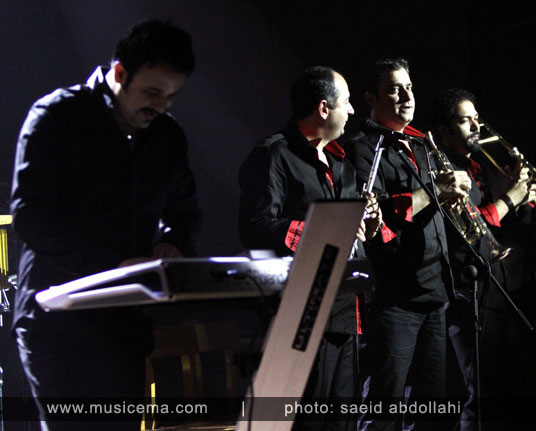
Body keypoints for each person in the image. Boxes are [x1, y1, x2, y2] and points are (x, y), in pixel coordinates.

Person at [10, 20, 201, 430]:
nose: (161, 105)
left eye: (171, 96)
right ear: (119, 72)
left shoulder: (167, 137)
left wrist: (175, 243)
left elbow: (185, 212)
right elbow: (30, 216)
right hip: (56, 320)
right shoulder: (57, 115)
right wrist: (112, 264)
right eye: (152, 92)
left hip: (122, 325)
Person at [238, 66, 382, 431]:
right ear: (323, 108)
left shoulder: (341, 163)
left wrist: (366, 223)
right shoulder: (274, 154)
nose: (352, 111)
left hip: (345, 310)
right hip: (301, 314)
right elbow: (256, 226)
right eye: (347, 102)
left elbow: (353, 236)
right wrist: (321, 232)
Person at [342, 58, 472, 430]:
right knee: (384, 409)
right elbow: (374, 214)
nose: (406, 96)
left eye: (409, 87)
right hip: (393, 298)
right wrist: (435, 190)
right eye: (394, 89)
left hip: (433, 293)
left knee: (433, 410)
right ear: (371, 98)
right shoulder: (362, 148)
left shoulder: (420, 144)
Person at [431, 88, 536, 430]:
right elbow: (471, 228)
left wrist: (522, 195)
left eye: (477, 119)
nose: (477, 127)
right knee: (482, 394)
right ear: (445, 130)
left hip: (496, 287)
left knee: (504, 390)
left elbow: (506, 230)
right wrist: (510, 198)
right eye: (466, 121)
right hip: (467, 292)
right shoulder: (444, 169)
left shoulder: (478, 167)